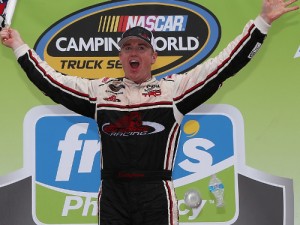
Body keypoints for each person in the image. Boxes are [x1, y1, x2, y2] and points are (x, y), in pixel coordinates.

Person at [0, 0, 298, 224]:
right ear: (120, 56)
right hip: (112, 194)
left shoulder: (173, 91)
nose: (133, 51)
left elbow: (223, 66)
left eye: (141, 47)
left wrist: (261, 24)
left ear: (153, 57)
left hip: (156, 194)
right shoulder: (101, 92)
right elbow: (52, 83)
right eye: (127, 46)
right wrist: (18, 45)